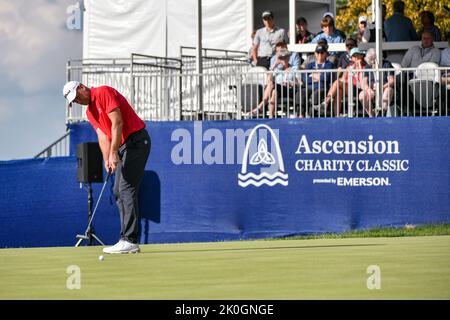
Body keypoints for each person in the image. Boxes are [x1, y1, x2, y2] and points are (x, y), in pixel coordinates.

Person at [63, 81, 151, 254]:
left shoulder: (102, 92)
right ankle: (125, 238)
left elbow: (117, 122)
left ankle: (130, 240)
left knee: (126, 189)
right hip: (124, 146)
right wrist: (107, 158)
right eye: (74, 101)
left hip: (137, 141)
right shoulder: (90, 112)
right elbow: (103, 135)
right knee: (118, 190)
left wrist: (113, 152)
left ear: (81, 87)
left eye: (77, 97)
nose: (78, 101)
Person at [321, 48, 368, 116]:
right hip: (348, 88)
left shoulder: (365, 67)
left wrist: (360, 67)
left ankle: (325, 102)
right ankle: (336, 115)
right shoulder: (349, 67)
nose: (356, 57)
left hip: (358, 89)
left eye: (357, 55)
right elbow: (343, 79)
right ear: (352, 58)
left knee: (338, 83)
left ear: (361, 56)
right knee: (339, 90)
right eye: (354, 56)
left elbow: (362, 81)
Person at [300, 44, 335, 116]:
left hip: (322, 87)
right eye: (318, 52)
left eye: (322, 52)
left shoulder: (329, 65)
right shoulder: (310, 65)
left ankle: (312, 116)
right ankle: (301, 115)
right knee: (301, 93)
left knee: (316, 94)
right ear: (315, 53)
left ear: (325, 54)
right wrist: (318, 76)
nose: (320, 54)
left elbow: (326, 78)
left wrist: (313, 75)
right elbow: (305, 79)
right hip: (309, 86)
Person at [358, 48, 395, 117]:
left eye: (374, 59)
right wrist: (368, 89)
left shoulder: (386, 64)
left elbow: (391, 80)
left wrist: (381, 87)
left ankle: (382, 114)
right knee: (362, 95)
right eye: (370, 59)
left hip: (384, 89)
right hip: (371, 91)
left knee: (388, 90)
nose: (372, 62)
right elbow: (364, 83)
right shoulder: (367, 67)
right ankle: (371, 116)